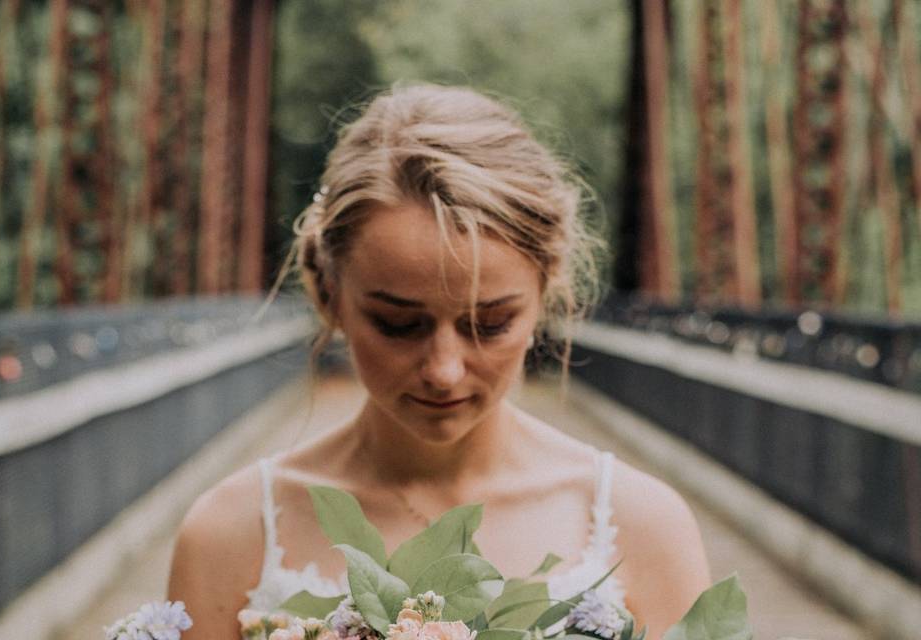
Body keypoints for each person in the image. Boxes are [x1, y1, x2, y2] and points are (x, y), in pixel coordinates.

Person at [167, 84, 711, 639]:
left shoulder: (645, 526)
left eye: (490, 324)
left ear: (546, 297)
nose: (444, 370)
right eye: (399, 325)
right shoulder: (229, 534)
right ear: (329, 296)